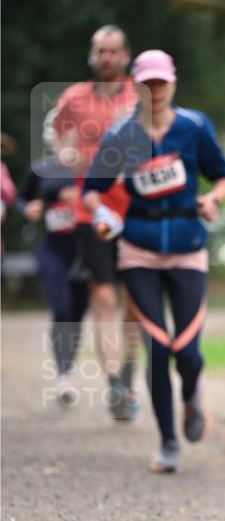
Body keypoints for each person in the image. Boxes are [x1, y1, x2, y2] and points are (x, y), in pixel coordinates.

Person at [82, 49, 225, 472]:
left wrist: (212, 199)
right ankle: (168, 442)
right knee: (157, 347)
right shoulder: (121, 134)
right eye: (147, 83)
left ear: (173, 82)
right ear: (135, 85)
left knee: (186, 350)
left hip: (187, 247)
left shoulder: (194, 127)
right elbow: (92, 189)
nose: (154, 90)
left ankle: (191, 392)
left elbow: (224, 176)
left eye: (161, 83)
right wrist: (103, 215)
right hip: (139, 251)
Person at [52, 25, 139, 419]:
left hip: (136, 210)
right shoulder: (74, 97)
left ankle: (129, 372)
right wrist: (66, 156)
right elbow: (57, 136)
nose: (106, 57)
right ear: (92, 55)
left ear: (125, 55)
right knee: (103, 296)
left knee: (135, 301)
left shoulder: (141, 96)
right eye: (100, 51)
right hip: (94, 211)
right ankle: (114, 383)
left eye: (112, 51)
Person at [18, 118, 88, 405]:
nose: (66, 140)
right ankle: (63, 377)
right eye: (60, 135)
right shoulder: (40, 169)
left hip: (83, 251)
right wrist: (28, 208)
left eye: (72, 135)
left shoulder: (90, 168)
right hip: (52, 249)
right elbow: (21, 199)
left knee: (77, 314)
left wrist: (81, 197)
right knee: (62, 308)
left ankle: (67, 368)